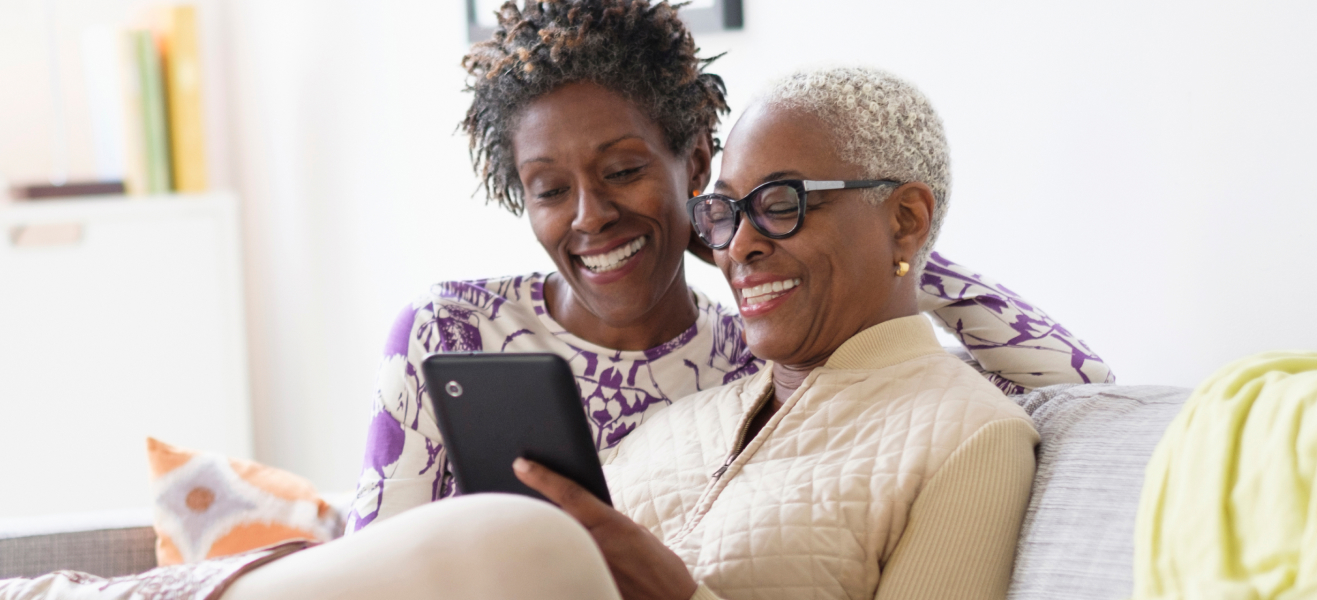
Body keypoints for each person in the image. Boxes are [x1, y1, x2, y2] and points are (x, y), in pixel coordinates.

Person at [0, 63, 1035, 600]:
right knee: (521, 533)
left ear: (908, 214)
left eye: (781, 209)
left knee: (531, 536)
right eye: (732, 213)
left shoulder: (964, 433)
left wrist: (671, 591)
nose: (743, 240)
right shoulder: (702, 409)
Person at [348, 0, 1108, 531]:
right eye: (550, 190)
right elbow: (373, 561)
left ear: (698, 161)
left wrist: (885, 246)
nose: (589, 216)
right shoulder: (448, 330)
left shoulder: (762, 356)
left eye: (621, 171)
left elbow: (1079, 391)